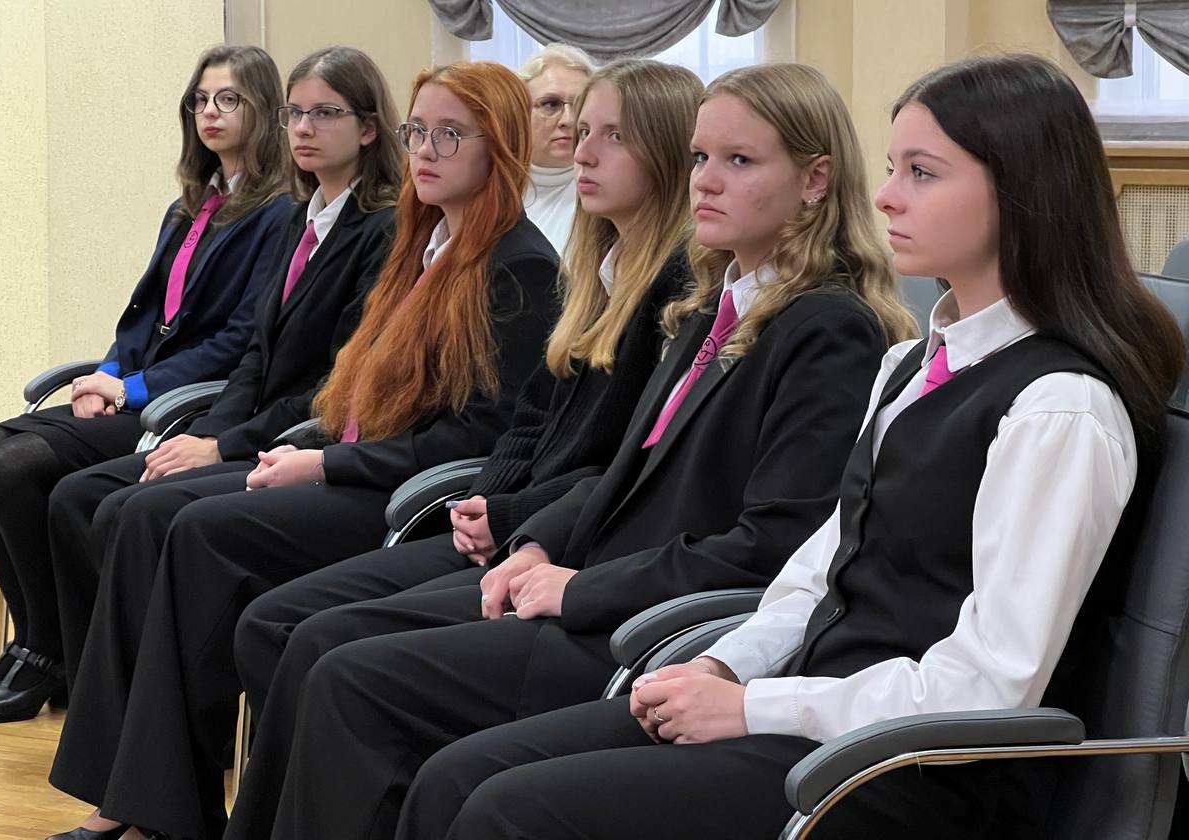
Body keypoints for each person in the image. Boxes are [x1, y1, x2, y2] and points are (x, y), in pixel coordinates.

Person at [396, 53, 1186, 840]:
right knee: (457, 776)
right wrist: (723, 665)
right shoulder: (911, 364)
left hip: (909, 773)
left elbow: (988, 687)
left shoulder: (1060, 408)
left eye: (921, 173)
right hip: (820, 715)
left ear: (1022, 192)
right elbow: (819, 568)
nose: (885, 195)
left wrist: (754, 705)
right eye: (892, 169)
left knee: (510, 812)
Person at [252, 61, 917, 840]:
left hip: (641, 625)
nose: (706, 180)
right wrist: (539, 543)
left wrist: (579, 587)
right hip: (592, 584)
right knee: (331, 653)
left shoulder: (827, 326)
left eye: (739, 160)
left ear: (815, 181)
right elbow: (624, 474)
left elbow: (770, 544)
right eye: (701, 157)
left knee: (355, 680)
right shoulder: (714, 306)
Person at [45, 60, 560, 840]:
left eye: (450, 135)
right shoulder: (422, 244)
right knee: (147, 515)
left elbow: (476, 439)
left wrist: (322, 461)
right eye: (418, 131)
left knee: (195, 532)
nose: (425, 150)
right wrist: (305, 444)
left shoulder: (517, 264)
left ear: (501, 145)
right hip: (348, 463)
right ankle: (148, 796)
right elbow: (349, 389)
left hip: (401, 497)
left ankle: (159, 802)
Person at [225, 56, 701, 840]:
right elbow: (532, 423)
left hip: (567, 557)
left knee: (318, 643)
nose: (580, 150)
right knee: (288, 624)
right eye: (581, 131)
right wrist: (495, 501)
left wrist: (512, 517)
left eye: (611, 136)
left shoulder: (669, 292)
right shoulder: (598, 269)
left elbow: (619, 468)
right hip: (509, 523)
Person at [0, 44, 292, 725]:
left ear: (263, 110)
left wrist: (132, 389)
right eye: (200, 100)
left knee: (17, 464)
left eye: (229, 99)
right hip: (140, 387)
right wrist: (106, 372)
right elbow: (145, 318)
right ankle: (38, 640)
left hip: (187, 405)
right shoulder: (190, 206)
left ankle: (48, 652)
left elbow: (237, 342)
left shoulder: (278, 214)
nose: (210, 113)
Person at [43, 44, 402, 695]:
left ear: (370, 128)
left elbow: (333, 384)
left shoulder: (380, 229)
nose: (304, 128)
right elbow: (255, 355)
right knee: (84, 497)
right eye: (296, 113)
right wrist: (209, 432)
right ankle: (99, 694)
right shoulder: (302, 220)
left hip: (299, 439)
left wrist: (221, 444)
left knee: (139, 513)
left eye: (324, 113)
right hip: (245, 425)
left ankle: (151, 712)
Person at [518, 43, 594, 254]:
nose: (568, 120)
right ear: (520, 112)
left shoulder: (607, 196)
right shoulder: (493, 189)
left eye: (579, 105)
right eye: (551, 104)